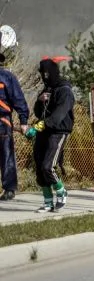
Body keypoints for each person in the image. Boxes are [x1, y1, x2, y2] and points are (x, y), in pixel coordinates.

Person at [27, 58, 75, 212]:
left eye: (46, 73)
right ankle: (48, 202)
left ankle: (61, 190)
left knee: (48, 166)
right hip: (44, 131)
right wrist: (39, 101)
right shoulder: (46, 89)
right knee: (40, 167)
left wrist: (40, 125)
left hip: (58, 131)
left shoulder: (65, 90)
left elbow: (59, 114)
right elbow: (38, 112)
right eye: (42, 73)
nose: (44, 77)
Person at [0, 52, 30, 201]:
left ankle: (9, 189)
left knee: (6, 156)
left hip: (2, 122)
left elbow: (18, 99)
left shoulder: (7, 77)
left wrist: (24, 121)